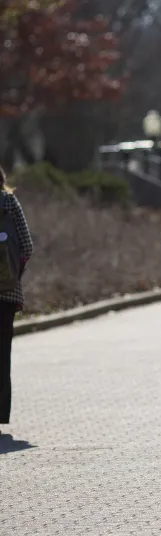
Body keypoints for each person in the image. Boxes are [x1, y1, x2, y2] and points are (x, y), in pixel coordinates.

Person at [0, 167, 33, 431]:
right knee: (2, 355)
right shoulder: (9, 202)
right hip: (6, 293)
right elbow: (27, 245)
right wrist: (12, 274)